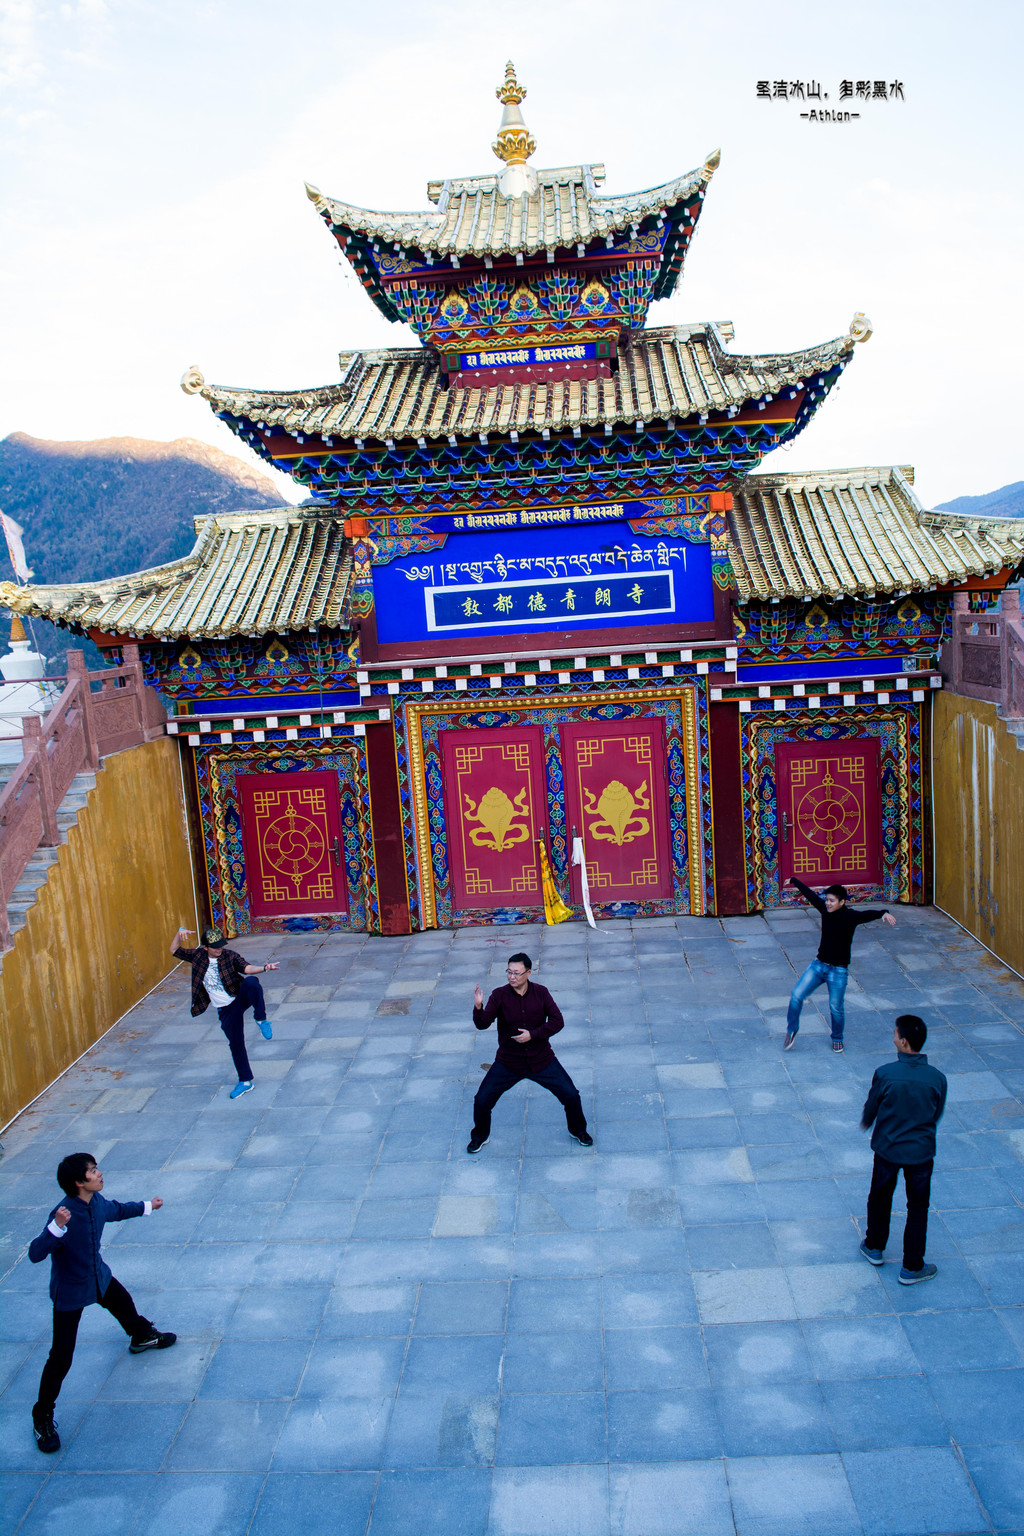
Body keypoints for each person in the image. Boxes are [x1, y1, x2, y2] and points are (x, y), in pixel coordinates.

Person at [28, 1153, 176, 1453]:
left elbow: (116, 1210)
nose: (99, 1174)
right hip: (70, 1292)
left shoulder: (96, 1201)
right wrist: (56, 1227)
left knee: (123, 1303)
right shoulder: (63, 1214)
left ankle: (141, 1337)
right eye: (93, 1171)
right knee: (61, 1357)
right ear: (79, 1182)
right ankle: (42, 1416)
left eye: (96, 1169)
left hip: (98, 1277)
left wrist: (148, 1206)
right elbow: (35, 1253)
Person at [468, 952, 592, 1153]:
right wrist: (478, 1006)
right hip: (508, 1062)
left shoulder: (541, 993)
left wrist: (532, 1035)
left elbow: (558, 1021)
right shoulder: (499, 995)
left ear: (528, 973)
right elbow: (482, 1024)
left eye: (516, 973)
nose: (512, 977)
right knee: (481, 1100)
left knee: (571, 1095)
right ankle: (479, 1136)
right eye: (509, 972)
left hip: (541, 1059)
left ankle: (578, 1131)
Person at [859, 1014, 947, 1284]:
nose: (893, 1037)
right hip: (921, 1153)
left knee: (880, 1196)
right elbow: (936, 1113)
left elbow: (871, 1108)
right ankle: (912, 1266)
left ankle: (874, 1246)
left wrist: (867, 1122)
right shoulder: (937, 1078)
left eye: (896, 1034)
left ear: (904, 1042)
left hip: (887, 1149)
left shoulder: (885, 1073)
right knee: (918, 1207)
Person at [783, 877, 896, 1052]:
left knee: (835, 1007)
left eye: (832, 901)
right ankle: (792, 1030)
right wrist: (794, 881)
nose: (827, 903)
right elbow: (810, 895)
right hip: (818, 966)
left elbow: (867, 914)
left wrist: (884, 913)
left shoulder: (850, 916)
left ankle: (837, 1038)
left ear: (842, 902)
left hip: (838, 971)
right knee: (796, 995)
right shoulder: (824, 910)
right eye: (827, 900)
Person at [172, 925, 279, 1098]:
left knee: (252, 982)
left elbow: (246, 968)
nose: (220, 949)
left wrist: (265, 968)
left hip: (238, 998)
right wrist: (179, 933)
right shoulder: (198, 956)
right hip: (225, 1010)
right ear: (205, 947)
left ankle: (261, 1019)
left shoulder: (229, 956)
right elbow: (174, 950)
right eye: (215, 947)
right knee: (236, 1044)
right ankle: (246, 1081)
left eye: (221, 945)